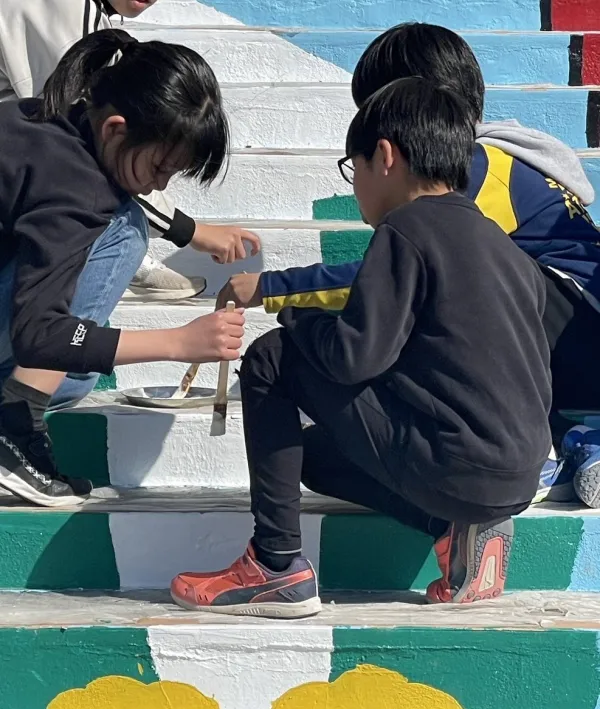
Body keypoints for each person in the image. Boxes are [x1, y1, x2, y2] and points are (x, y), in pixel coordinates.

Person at [171, 77, 552, 617]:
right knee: (312, 458)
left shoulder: (406, 231)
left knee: (273, 357)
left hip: (456, 462)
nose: (356, 189)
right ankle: (453, 526)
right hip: (517, 476)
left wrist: (295, 314)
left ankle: (275, 566)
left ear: (385, 157)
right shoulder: (506, 249)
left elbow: (353, 357)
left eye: (355, 169)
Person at [216, 22, 600, 507]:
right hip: (570, 351)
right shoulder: (492, 165)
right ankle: (575, 441)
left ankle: (551, 447)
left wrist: (272, 288)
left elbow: (398, 281)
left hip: (575, 339)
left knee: (448, 300)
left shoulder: (476, 168)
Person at [0, 28, 245, 507]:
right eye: (160, 169)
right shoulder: (76, 186)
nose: (160, 186)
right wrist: (178, 342)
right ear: (115, 129)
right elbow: (40, 335)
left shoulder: (34, 120)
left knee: (78, 372)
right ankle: (13, 429)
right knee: (127, 227)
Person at [0, 0, 261, 301]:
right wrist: (190, 231)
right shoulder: (63, 7)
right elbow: (86, 148)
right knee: (124, 229)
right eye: (161, 169)